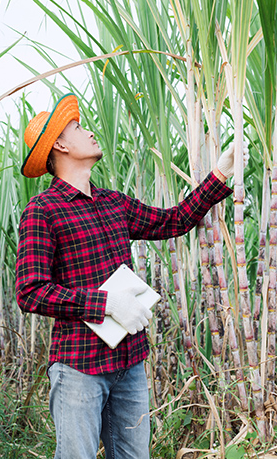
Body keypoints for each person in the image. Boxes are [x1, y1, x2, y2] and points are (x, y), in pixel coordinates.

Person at [15, 93, 239, 459]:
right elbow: (31, 291)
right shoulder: (43, 210)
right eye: (78, 127)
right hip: (78, 367)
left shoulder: (114, 202)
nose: (89, 131)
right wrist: (106, 304)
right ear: (60, 145)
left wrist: (220, 173)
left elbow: (174, 221)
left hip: (129, 362)